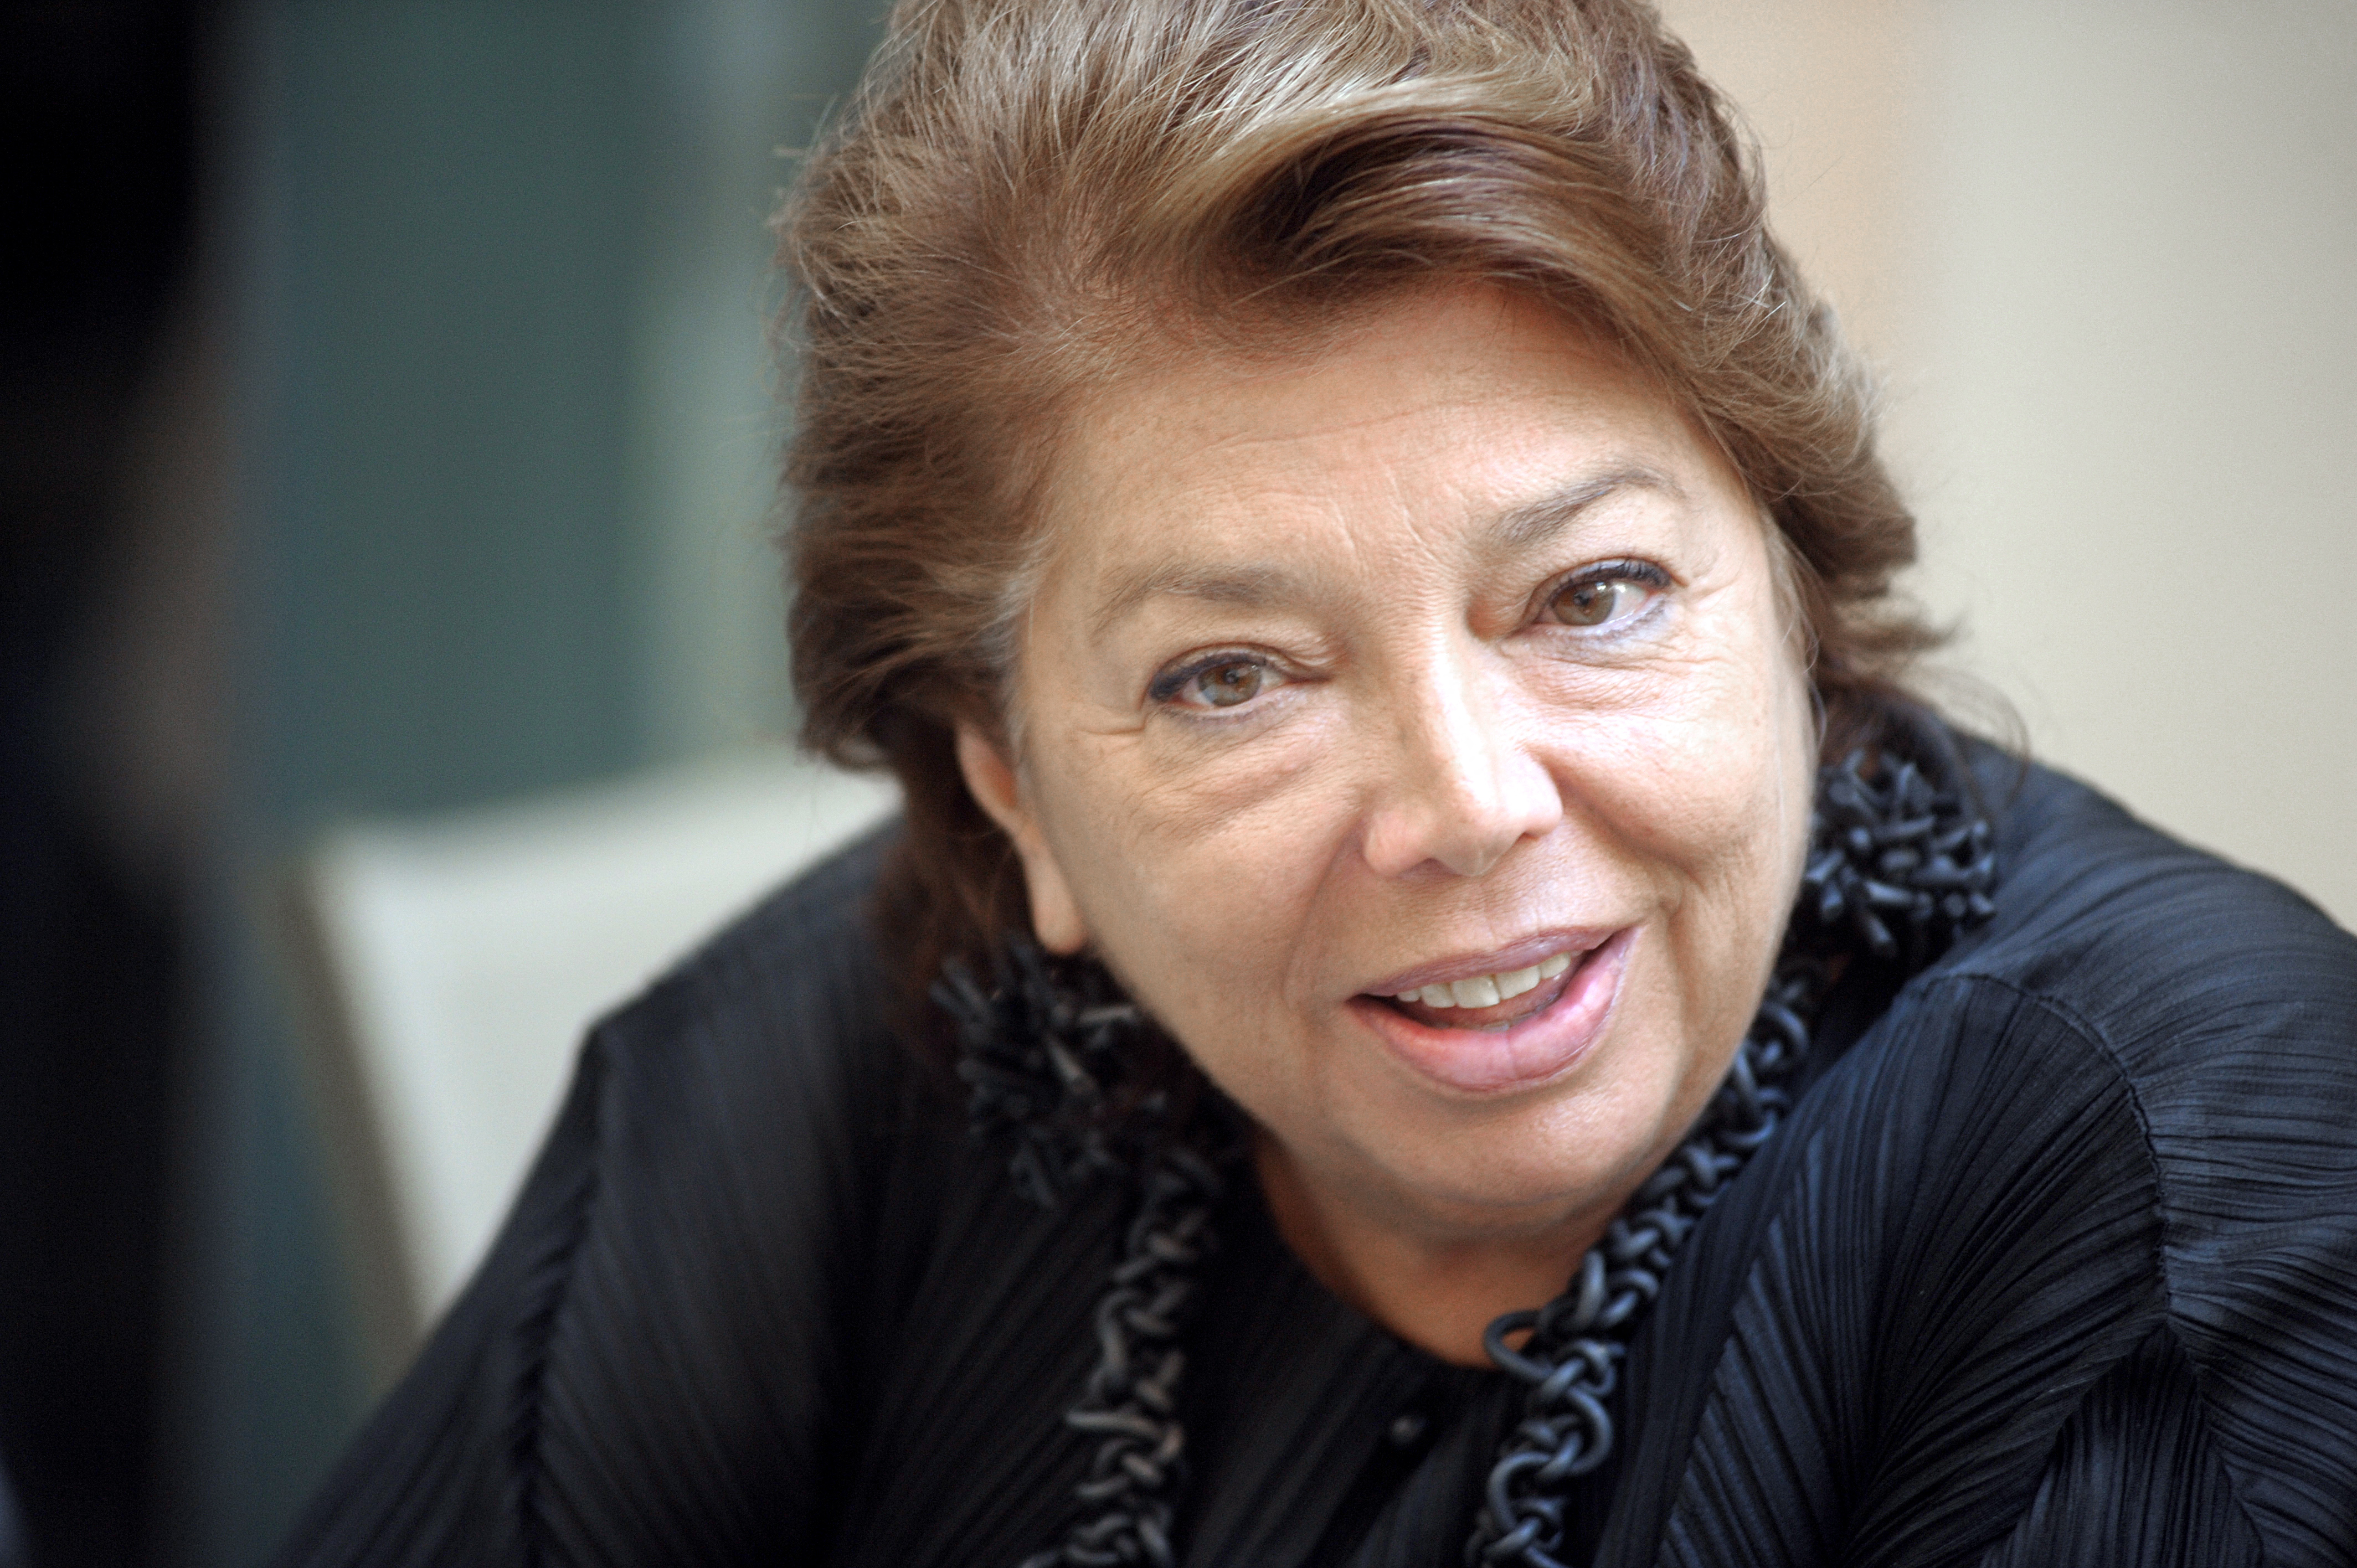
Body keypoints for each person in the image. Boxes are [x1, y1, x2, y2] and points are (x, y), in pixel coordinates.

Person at [276, 2, 2357, 1564]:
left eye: (1597, 593)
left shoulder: (2171, 1195)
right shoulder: (829, 1068)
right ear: (1012, 791)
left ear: (1794, 599)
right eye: (1229, 677)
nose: (1463, 804)